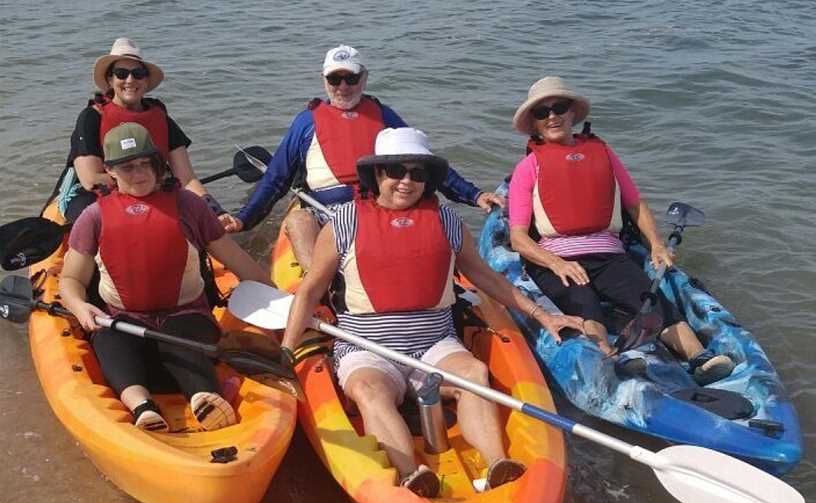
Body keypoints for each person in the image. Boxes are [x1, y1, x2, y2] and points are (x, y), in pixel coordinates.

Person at [280, 128, 584, 497]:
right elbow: (311, 289)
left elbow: (485, 277)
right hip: (367, 348)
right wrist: (286, 350)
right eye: (396, 171)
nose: (406, 181)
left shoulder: (447, 221)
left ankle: (496, 463)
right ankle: (412, 473)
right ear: (378, 175)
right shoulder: (345, 221)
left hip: (435, 344)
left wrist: (542, 314)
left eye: (418, 173)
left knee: (474, 373)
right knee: (368, 391)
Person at [507, 76, 734, 385]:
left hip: (610, 255)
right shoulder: (528, 168)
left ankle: (699, 357)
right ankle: (611, 359)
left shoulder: (603, 153)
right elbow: (518, 238)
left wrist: (655, 244)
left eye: (559, 107)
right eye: (541, 113)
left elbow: (635, 204)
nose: (552, 117)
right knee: (584, 304)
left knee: (648, 301)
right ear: (533, 123)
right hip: (556, 259)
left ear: (572, 113)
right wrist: (556, 263)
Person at [59, 123, 273, 432]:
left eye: (147, 163)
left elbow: (242, 266)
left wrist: (288, 308)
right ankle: (142, 407)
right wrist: (80, 307)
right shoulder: (94, 216)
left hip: (186, 315)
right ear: (110, 171)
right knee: (110, 343)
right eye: (128, 167)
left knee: (182, 339)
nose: (139, 173)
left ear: (159, 165)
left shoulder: (189, 206)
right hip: (122, 319)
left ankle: (204, 398)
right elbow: (70, 281)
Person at [224, 44, 506, 271]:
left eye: (351, 78)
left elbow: (425, 164)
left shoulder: (384, 117)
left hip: (381, 207)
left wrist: (475, 194)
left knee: (432, 220)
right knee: (297, 222)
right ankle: (320, 291)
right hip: (325, 214)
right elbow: (275, 180)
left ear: (364, 78)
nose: (343, 86)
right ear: (324, 80)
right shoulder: (305, 123)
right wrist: (243, 219)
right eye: (335, 79)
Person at [61, 38, 230, 224]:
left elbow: (187, 179)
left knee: (193, 221)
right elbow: (90, 179)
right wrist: (146, 185)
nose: (130, 80)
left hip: (150, 188)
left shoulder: (161, 118)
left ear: (146, 80)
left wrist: (214, 210)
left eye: (138, 73)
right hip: (95, 194)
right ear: (110, 79)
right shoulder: (91, 117)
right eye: (121, 73)